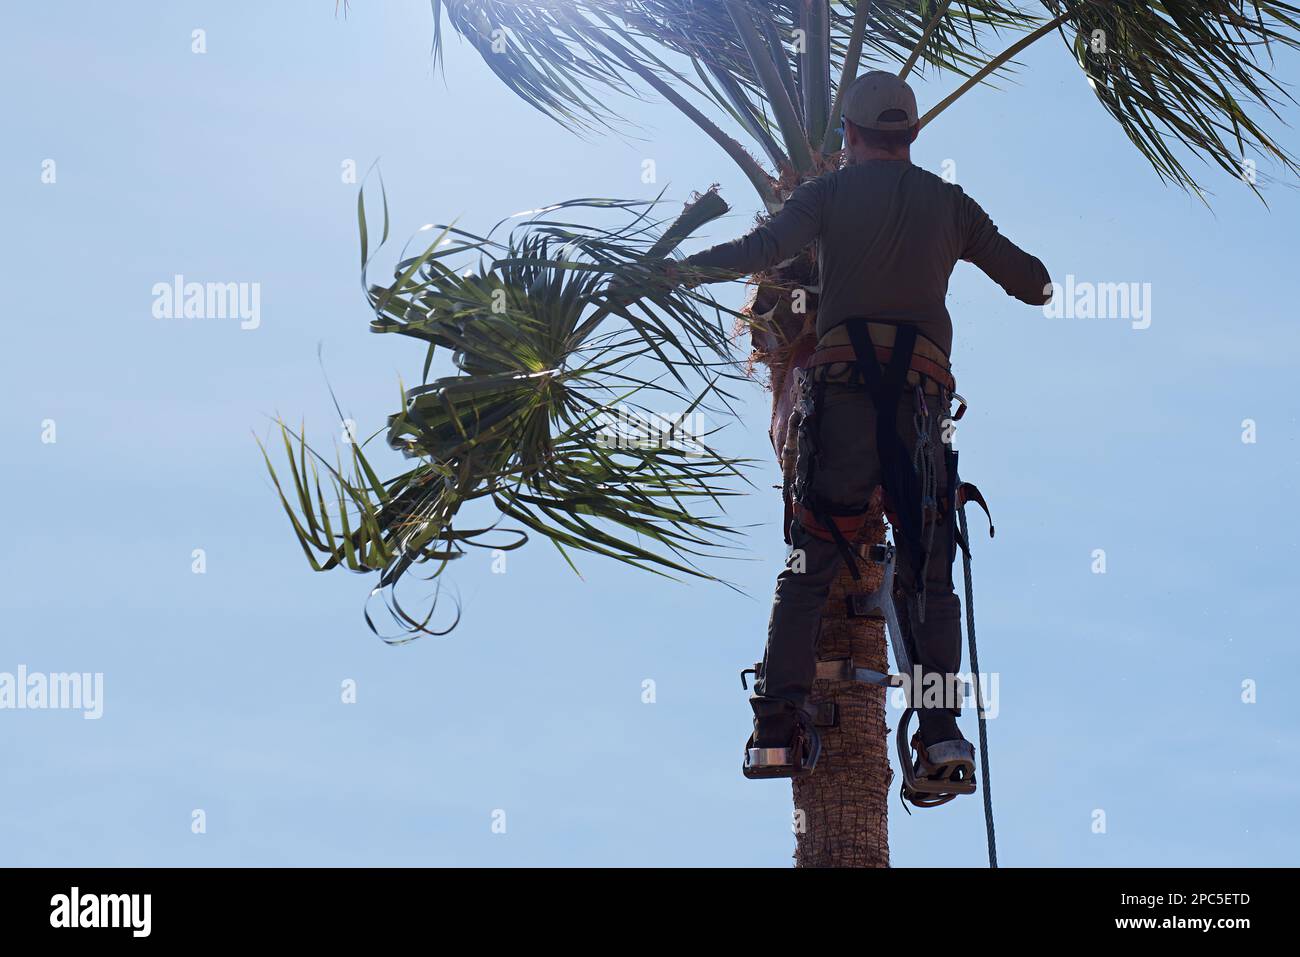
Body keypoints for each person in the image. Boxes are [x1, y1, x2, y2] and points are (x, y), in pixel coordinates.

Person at [674, 71, 1052, 792]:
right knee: (929, 572)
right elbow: (1034, 284)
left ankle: (777, 727)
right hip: (920, 413)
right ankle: (940, 737)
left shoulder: (827, 194)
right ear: (910, 137)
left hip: (844, 398)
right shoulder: (951, 205)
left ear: (846, 135)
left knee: (813, 555)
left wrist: (679, 270)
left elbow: (759, 250)